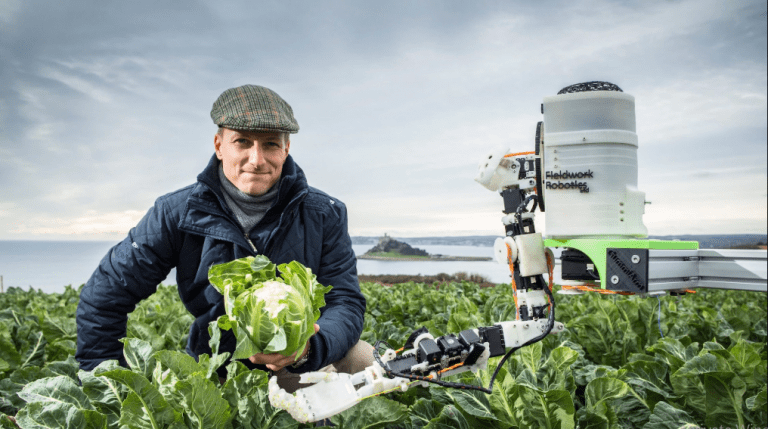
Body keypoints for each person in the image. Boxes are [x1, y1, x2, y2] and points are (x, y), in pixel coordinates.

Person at [76, 84, 372, 389]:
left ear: (286, 149)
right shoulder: (176, 213)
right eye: (242, 142)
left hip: (301, 361)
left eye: (270, 144)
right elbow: (106, 294)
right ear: (219, 146)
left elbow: (344, 300)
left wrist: (311, 347)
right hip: (217, 365)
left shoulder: (324, 213)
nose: (256, 159)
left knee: (364, 360)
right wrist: (107, 382)